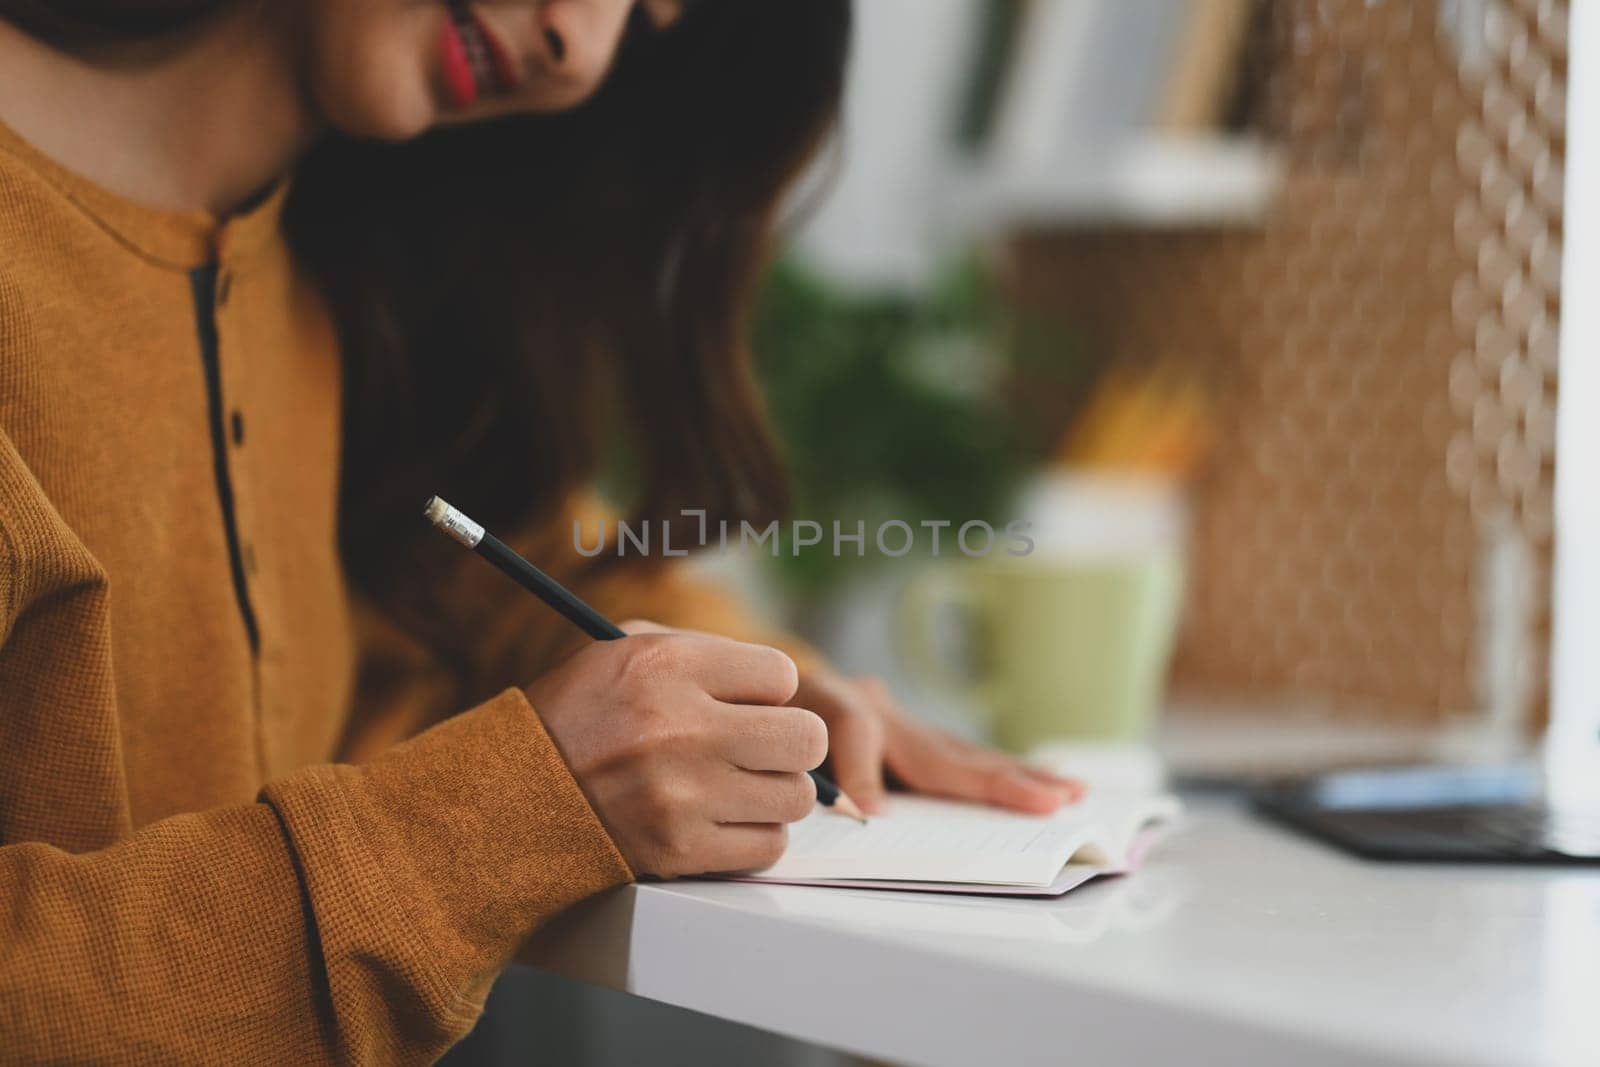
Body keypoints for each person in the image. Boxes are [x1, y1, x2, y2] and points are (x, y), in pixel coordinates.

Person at [0, 1, 1082, 1062]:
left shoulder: (329, 287)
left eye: (646, 24)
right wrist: (502, 816)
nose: (580, 41)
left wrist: (760, 686)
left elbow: (512, 566)